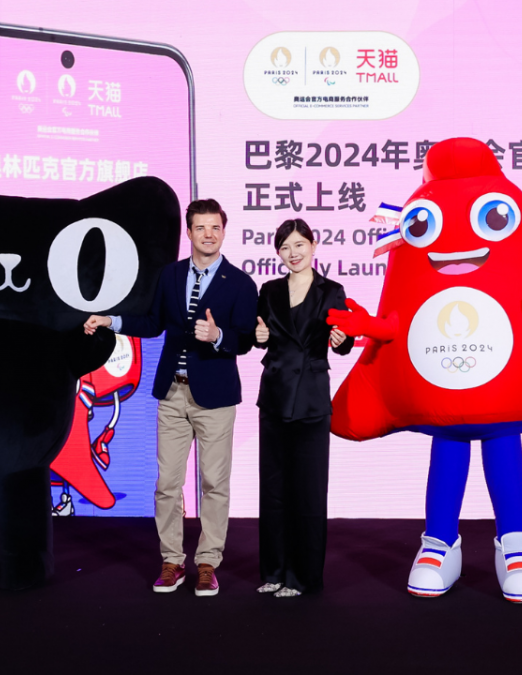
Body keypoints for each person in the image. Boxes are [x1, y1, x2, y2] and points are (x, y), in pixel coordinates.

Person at [85, 198, 258, 597]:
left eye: (215, 227)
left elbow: (246, 339)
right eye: (201, 227)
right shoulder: (170, 275)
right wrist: (111, 321)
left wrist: (217, 336)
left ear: (224, 231)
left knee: (214, 483)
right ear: (189, 232)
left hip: (216, 398)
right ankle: (172, 561)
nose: (208, 234)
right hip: (173, 393)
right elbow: (152, 323)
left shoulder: (240, 282)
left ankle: (207, 563)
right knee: (167, 483)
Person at [253, 219, 353, 598]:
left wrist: (342, 340)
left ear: (314, 244)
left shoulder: (332, 290)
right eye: (285, 247)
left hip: (311, 399)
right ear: (278, 253)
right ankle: (274, 571)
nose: (292, 253)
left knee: (308, 491)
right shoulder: (269, 290)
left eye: (299, 245)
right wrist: (257, 336)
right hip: (274, 397)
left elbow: (344, 341)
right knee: (273, 490)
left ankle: (302, 577)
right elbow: (257, 335)